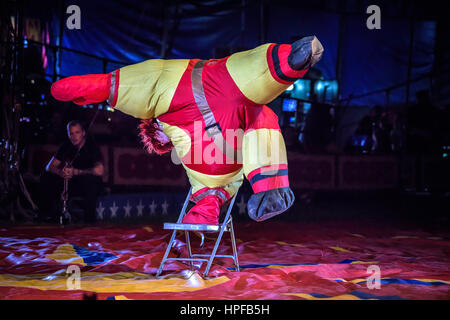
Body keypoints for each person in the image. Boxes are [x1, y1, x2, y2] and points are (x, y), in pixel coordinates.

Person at [50, 35, 324, 225]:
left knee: (258, 108)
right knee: (259, 116)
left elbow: (147, 85)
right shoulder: (178, 133)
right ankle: (266, 190)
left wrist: (102, 87)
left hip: (213, 84)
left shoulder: (169, 112)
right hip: (219, 105)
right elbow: (211, 184)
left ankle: (289, 61)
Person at [38, 120, 104, 223]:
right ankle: (47, 215)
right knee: (46, 177)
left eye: (77, 133)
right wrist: (61, 172)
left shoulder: (92, 146)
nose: (74, 136)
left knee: (90, 181)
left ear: (83, 133)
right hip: (72, 182)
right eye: (71, 133)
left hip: (89, 182)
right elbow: (49, 166)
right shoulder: (66, 145)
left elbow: (99, 171)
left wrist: (75, 172)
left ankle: (90, 220)